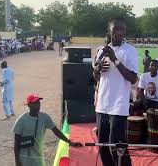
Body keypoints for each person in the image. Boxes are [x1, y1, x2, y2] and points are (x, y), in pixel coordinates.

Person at [93, 18, 138, 166]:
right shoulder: (101, 50)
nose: (119, 31)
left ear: (125, 32)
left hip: (118, 106)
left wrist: (115, 60)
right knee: (103, 145)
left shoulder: (130, 51)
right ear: (109, 31)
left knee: (117, 146)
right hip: (102, 104)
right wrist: (97, 69)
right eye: (115, 28)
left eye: (122, 29)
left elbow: (132, 78)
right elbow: (96, 77)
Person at [13, 94, 82, 166]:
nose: (38, 105)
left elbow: (56, 131)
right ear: (29, 105)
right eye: (35, 103)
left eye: (38, 102)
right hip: (24, 158)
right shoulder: (21, 120)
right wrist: (17, 161)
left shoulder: (44, 117)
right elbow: (16, 142)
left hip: (38, 156)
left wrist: (70, 142)